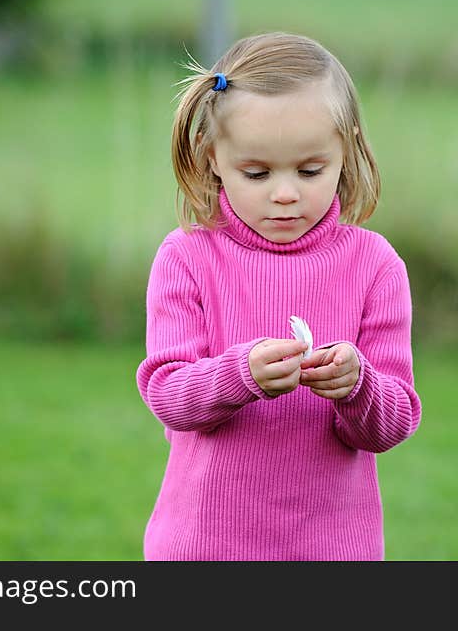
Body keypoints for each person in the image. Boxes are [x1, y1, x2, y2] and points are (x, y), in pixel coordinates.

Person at [135, 31, 422, 560]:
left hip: (333, 551)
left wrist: (357, 385)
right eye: (257, 172)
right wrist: (240, 375)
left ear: (347, 150)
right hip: (204, 548)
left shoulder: (375, 267)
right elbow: (168, 395)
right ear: (212, 158)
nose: (286, 192)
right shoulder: (187, 261)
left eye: (310, 170)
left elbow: (394, 419)